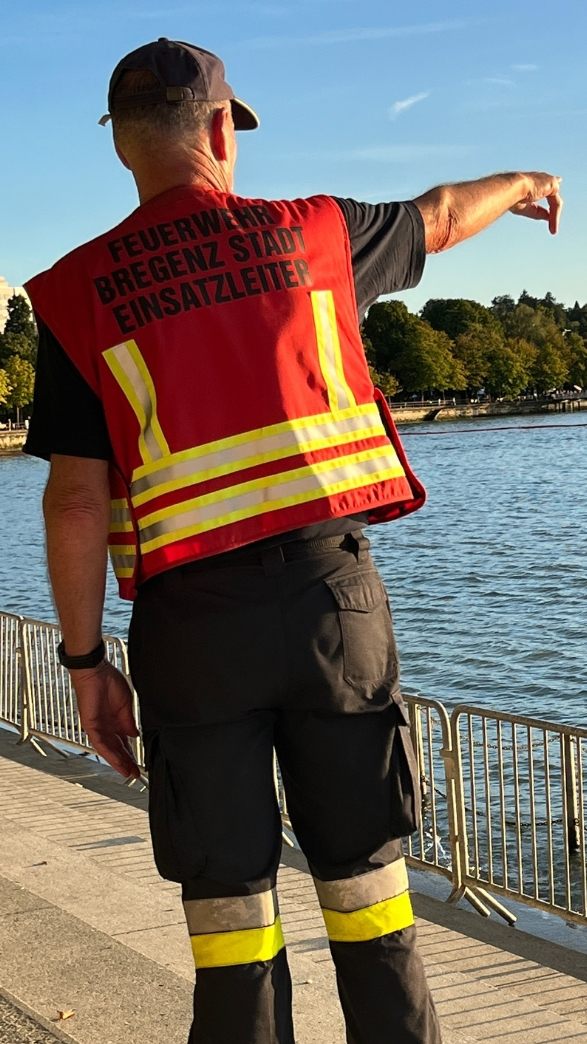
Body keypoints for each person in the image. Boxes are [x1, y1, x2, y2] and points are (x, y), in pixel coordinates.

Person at [24, 37, 562, 1044]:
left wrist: (87, 662)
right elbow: (443, 215)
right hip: (331, 610)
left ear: (122, 148)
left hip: (190, 634)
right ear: (224, 130)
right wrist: (524, 179)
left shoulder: (73, 293)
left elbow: (74, 501)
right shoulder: (312, 237)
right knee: (371, 909)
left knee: (231, 926)